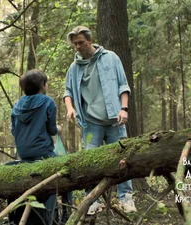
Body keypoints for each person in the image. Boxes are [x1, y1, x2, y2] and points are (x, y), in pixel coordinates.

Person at [63, 26, 137, 214]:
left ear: (89, 40)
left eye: (80, 42)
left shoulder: (111, 58)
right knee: (90, 162)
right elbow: (68, 92)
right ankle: (92, 200)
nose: (78, 47)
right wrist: (70, 108)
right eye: (75, 44)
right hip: (90, 123)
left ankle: (126, 198)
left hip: (114, 120)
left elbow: (123, 84)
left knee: (122, 158)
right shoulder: (74, 68)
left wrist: (124, 108)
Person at [10, 69, 69, 225]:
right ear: (43, 85)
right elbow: (51, 130)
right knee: (68, 170)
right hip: (43, 153)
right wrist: (57, 128)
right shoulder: (47, 102)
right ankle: (67, 215)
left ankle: (12, 218)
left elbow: (13, 131)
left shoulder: (17, 105)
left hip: (23, 154)